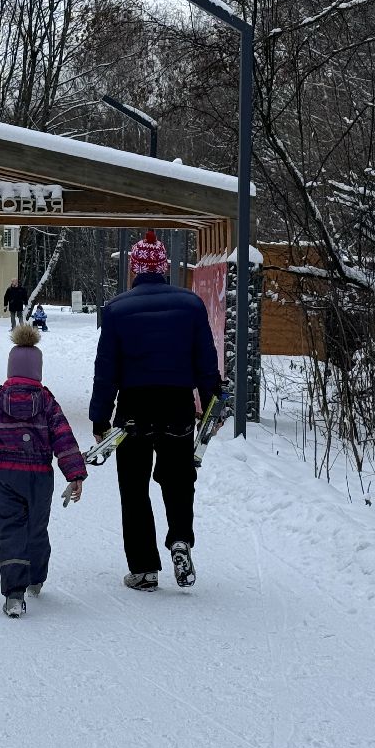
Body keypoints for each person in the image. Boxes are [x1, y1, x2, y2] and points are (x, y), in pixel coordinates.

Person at [90, 230, 221, 592]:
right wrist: (211, 407)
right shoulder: (191, 305)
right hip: (177, 404)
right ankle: (180, 539)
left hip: (134, 408)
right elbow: (206, 362)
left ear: (135, 268)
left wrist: (100, 418)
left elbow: (106, 371)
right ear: (164, 267)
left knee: (134, 487)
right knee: (178, 479)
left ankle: (144, 568)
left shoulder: (116, 310)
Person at [0, 324, 88, 618]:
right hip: (39, 478)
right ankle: (36, 577)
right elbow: (63, 438)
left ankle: (14, 594)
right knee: (36, 528)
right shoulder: (48, 403)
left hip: (6, 477)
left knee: (10, 530)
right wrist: (74, 474)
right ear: (38, 371)